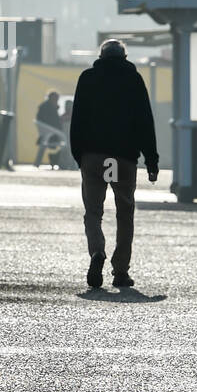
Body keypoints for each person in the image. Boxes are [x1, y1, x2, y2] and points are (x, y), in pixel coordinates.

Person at [69, 39, 158, 289]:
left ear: (101, 56)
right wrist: (151, 160)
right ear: (125, 57)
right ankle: (120, 271)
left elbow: (77, 119)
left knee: (93, 213)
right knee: (124, 214)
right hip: (123, 158)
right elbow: (145, 122)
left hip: (94, 156)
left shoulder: (87, 78)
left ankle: (97, 252)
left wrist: (80, 155)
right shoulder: (134, 80)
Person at [33, 90, 64, 168]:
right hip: (51, 131)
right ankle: (62, 162)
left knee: (44, 145)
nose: (57, 100)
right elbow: (52, 120)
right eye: (56, 98)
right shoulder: (47, 107)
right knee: (66, 139)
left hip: (48, 131)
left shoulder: (47, 106)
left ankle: (55, 160)